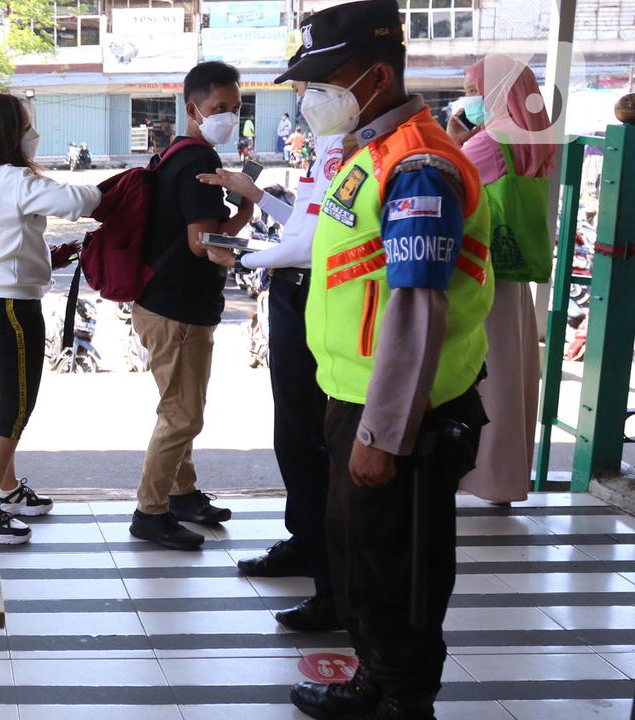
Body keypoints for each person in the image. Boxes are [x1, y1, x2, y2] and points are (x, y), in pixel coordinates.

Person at [277, 3, 494, 718]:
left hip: (402, 413)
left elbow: (416, 305)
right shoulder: (370, 153)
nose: (309, 97)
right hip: (354, 397)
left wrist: (384, 430)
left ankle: (405, 699)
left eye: (322, 79)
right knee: (360, 554)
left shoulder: (419, 166)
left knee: (399, 564)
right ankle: (375, 674)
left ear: (375, 75)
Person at [196, 60, 346, 633]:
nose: (303, 100)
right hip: (295, 290)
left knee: (311, 438)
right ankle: (306, 541)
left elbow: (309, 244)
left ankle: (331, 581)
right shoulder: (328, 143)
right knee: (295, 432)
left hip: (308, 292)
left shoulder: (351, 148)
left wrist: (245, 258)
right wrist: (253, 194)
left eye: (311, 88)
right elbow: (305, 222)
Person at [0, 94, 103, 545]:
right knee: (16, 406)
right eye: (27, 124)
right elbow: (78, 201)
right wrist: (111, 189)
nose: (33, 131)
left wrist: (47, 257)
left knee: (5, 398)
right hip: (11, 306)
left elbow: (9, 238)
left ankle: (6, 489)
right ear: (10, 133)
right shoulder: (15, 177)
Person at [127, 61, 253, 551]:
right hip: (177, 310)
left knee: (177, 406)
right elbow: (203, 242)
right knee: (182, 416)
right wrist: (246, 209)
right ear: (194, 109)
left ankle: (181, 495)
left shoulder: (175, 153)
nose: (229, 117)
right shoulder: (197, 162)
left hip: (162, 303)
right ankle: (150, 512)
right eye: (220, 107)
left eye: (236, 109)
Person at [447, 54, 555, 506]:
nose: (468, 99)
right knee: (512, 376)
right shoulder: (535, 137)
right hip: (515, 273)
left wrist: (454, 142)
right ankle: (505, 480)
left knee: (479, 375)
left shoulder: (485, 144)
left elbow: (449, 183)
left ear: (496, 92)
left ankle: (477, 474)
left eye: (474, 90)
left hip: (480, 273)